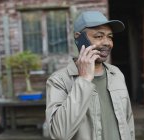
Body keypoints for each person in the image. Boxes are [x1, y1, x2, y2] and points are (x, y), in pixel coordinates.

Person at [45, 10, 135, 140]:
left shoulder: (117, 74)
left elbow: (128, 122)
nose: (107, 43)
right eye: (99, 36)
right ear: (79, 38)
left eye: (110, 37)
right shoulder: (59, 80)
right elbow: (60, 133)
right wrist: (84, 79)